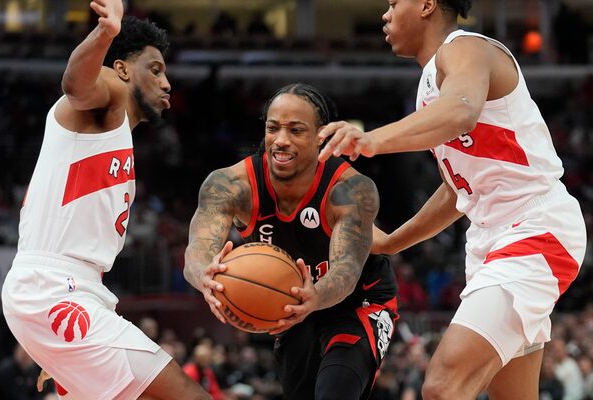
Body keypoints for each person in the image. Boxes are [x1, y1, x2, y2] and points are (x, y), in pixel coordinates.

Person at [317, 1, 587, 399]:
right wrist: (393, 242)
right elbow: (455, 189)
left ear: (427, 4)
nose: (385, 14)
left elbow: (461, 111)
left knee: (443, 387)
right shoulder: (430, 86)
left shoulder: (466, 48)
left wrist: (372, 140)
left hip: (534, 228)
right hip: (489, 239)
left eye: (394, 3)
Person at [1, 1, 210, 399]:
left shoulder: (113, 136)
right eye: (155, 69)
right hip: (53, 288)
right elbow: (75, 85)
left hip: (70, 293)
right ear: (121, 69)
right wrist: (105, 32)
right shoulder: (108, 96)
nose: (167, 84)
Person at [184, 83, 399, 400]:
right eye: (273, 128)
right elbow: (197, 252)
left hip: (358, 300)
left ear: (320, 137)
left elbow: (347, 271)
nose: (281, 140)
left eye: (296, 130)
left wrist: (316, 295)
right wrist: (205, 275)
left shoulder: (351, 189)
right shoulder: (230, 185)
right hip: (289, 304)